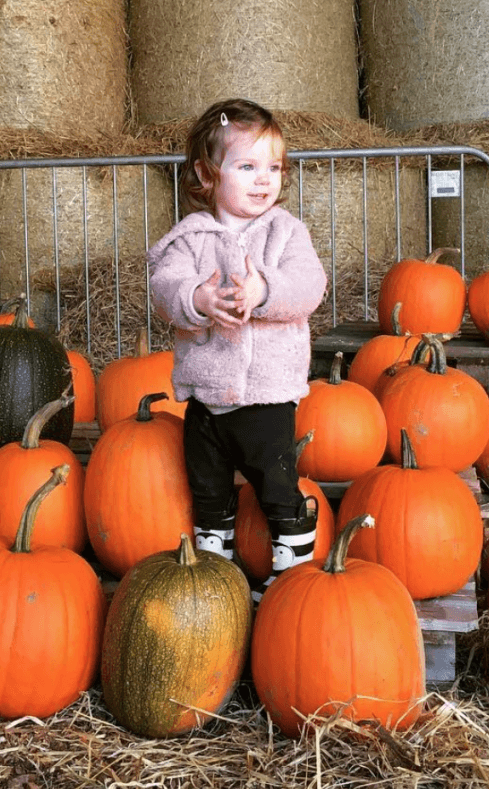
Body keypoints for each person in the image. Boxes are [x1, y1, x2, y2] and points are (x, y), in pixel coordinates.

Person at [147, 98, 328, 600]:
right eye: (247, 166)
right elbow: (165, 289)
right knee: (208, 489)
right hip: (206, 400)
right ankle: (216, 570)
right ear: (208, 175)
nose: (263, 179)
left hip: (267, 396)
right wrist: (198, 299)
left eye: (273, 167)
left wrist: (263, 291)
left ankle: (291, 569)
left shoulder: (286, 232)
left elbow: (310, 286)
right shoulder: (188, 240)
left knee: (276, 485)